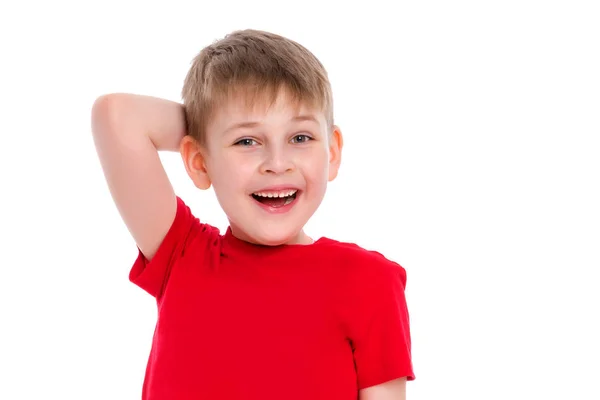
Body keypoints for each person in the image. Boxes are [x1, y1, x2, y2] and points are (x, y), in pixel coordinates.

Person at [91, 29, 415, 400]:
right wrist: (209, 123)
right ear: (198, 162)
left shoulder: (369, 282)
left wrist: (223, 131)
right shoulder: (182, 256)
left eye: (301, 138)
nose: (277, 164)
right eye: (247, 141)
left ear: (332, 152)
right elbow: (116, 116)